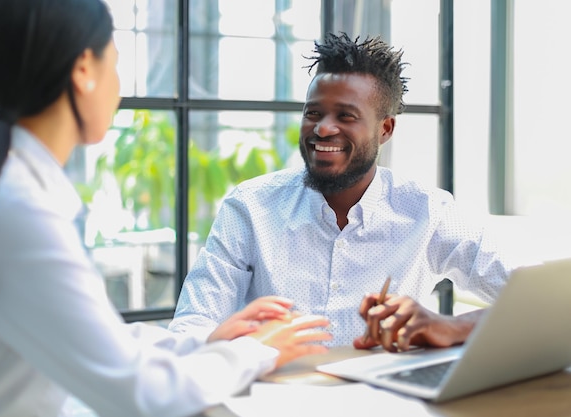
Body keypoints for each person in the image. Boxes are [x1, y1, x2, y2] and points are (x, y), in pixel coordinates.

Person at [0, 1, 332, 416]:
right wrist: (256, 353)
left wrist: (208, 341)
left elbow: (94, 335)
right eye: (112, 64)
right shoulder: (19, 212)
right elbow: (144, 394)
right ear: (82, 71)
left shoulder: (6, 186)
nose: (118, 88)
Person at [169, 33, 513, 352]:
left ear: (385, 129)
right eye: (313, 114)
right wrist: (237, 343)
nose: (322, 128)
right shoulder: (251, 206)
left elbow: (541, 302)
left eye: (345, 116)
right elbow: (190, 328)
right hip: (276, 396)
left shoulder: (429, 211)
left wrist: (453, 327)